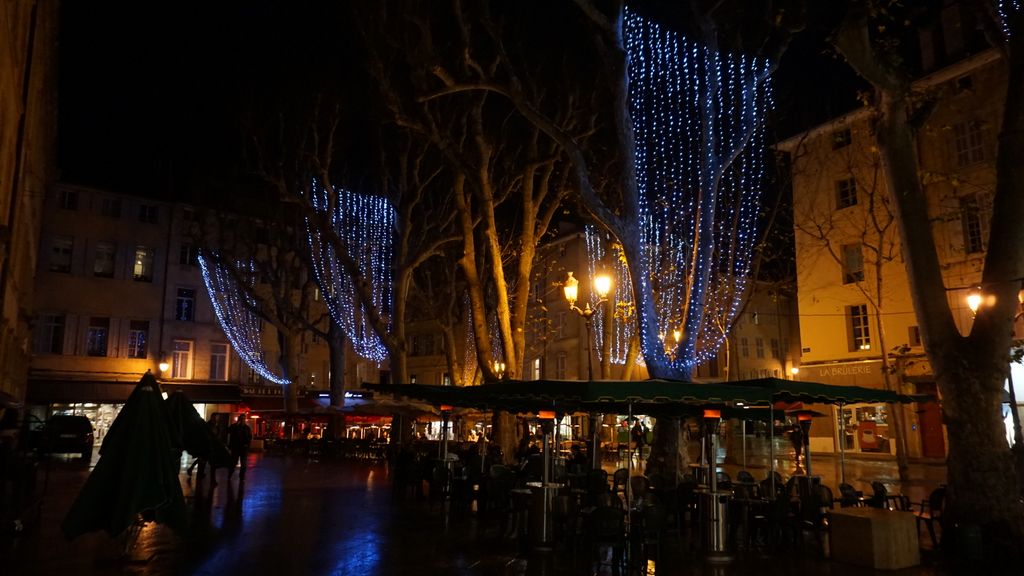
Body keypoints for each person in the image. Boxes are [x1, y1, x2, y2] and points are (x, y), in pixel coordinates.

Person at [227, 415, 253, 481]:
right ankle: (230, 475)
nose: (242, 420)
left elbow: (249, 437)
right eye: (241, 419)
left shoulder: (247, 428)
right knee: (233, 462)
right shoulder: (235, 426)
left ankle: (242, 477)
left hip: (243, 448)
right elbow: (228, 431)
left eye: (244, 419)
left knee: (243, 463)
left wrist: (247, 445)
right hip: (236, 447)